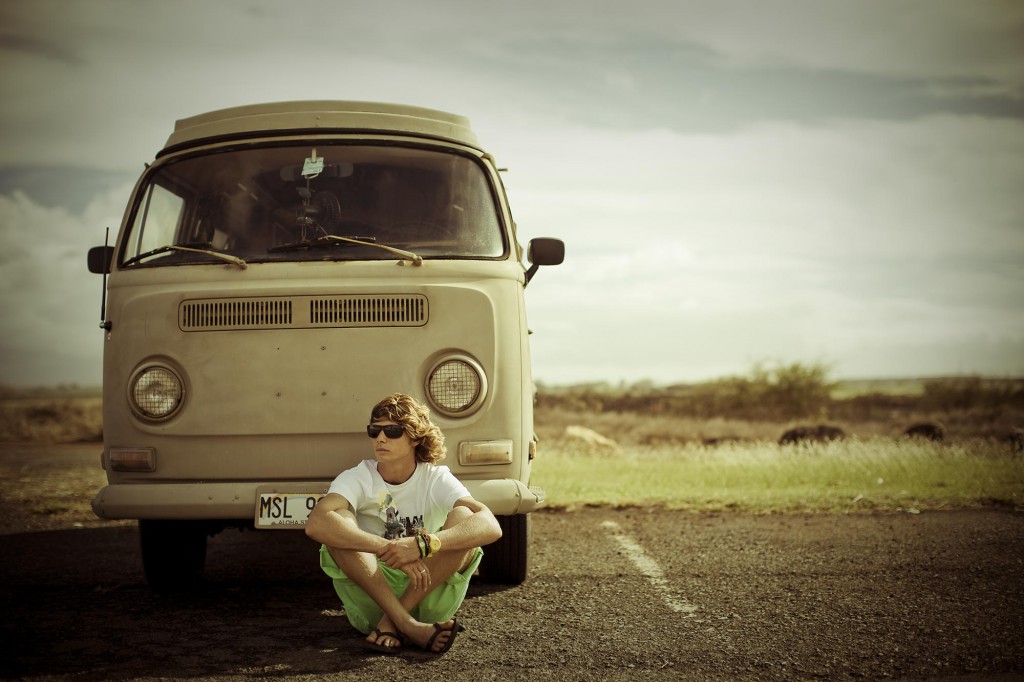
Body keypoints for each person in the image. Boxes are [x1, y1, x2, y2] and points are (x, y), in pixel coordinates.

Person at [305, 392, 502, 655]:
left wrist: (423, 545)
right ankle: (408, 624)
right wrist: (390, 548)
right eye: (374, 431)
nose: (380, 438)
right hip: (373, 600)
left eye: (393, 431)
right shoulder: (358, 476)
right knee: (338, 521)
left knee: (465, 517)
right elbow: (316, 523)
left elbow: (490, 525)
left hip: (427, 587)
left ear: (416, 437)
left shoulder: (435, 477)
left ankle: (393, 623)